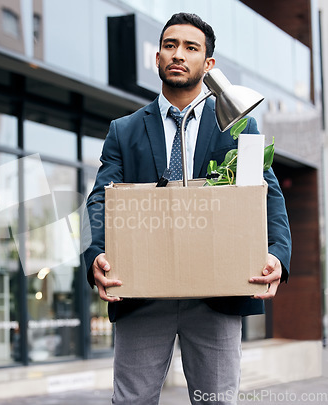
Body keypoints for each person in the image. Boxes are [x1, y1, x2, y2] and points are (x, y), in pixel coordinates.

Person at [82, 12, 291, 405]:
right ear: (158, 57)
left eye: (191, 48)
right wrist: (95, 255)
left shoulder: (236, 124)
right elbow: (100, 199)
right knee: (131, 401)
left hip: (217, 294)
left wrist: (277, 254)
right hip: (141, 292)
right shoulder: (123, 130)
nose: (178, 54)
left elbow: (267, 193)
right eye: (170, 45)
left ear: (208, 64)